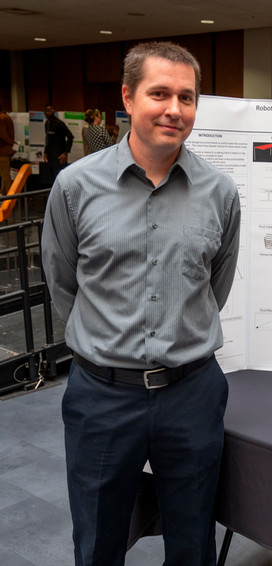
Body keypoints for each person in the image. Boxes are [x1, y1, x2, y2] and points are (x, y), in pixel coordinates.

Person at [42, 41, 241, 566]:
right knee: (98, 538)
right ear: (128, 98)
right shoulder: (74, 187)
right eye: (159, 93)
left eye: (186, 97)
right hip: (102, 396)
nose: (174, 109)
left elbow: (214, 287)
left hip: (192, 394)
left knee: (192, 538)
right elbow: (62, 282)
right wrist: (108, 340)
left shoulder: (219, 192)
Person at [43, 105, 74, 185]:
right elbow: (48, 139)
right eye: (46, 111)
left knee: (60, 179)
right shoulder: (47, 123)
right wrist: (45, 152)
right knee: (51, 180)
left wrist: (66, 152)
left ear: (53, 111)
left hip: (59, 157)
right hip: (50, 157)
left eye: (49, 111)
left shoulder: (59, 123)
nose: (47, 113)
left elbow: (70, 136)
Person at [0, 106, 15, 194]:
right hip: (6, 150)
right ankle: (3, 194)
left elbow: (3, 135)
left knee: (5, 175)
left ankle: (10, 197)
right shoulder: (6, 117)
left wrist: (11, 142)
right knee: (4, 174)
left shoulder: (1, 118)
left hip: (2, 151)